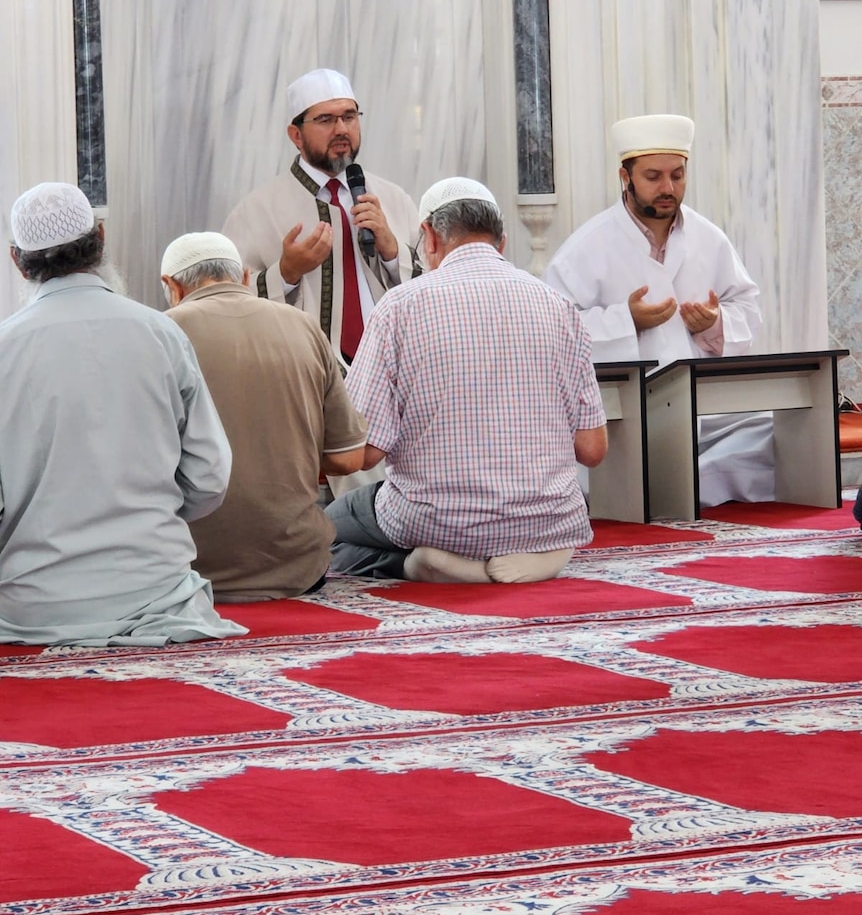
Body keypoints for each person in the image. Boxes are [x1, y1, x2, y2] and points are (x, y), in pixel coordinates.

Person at [326, 177, 608, 584]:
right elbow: (592, 449)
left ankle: (423, 564)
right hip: (549, 517)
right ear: (502, 242)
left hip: (437, 521)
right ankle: (543, 555)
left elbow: (363, 452)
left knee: (322, 536)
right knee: (552, 509)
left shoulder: (400, 307)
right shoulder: (558, 307)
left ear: (428, 237)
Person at [0, 183, 246, 646]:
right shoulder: (161, 333)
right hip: (156, 594)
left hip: (31, 606)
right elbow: (210, 478)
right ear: (101, 238)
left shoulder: (3, 348)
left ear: (18, 260)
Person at [543, 113, 769, 507]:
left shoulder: (708, 237)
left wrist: (716, 324)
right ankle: (681, 486)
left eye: (677, 175)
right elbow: (549, 332)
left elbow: (747, 307)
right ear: (625, 177)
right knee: (589, 462)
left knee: (772, 433)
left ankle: (678, 485)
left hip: (701, 413)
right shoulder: (587, 247)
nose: (668, 188)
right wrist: (624, 321)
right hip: (621, 419)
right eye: (653, 176)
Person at [161, 231, 367, 601]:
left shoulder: (161, 333)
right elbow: (348, 457)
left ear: (171, 286)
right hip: (299, 570)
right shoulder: (303, 325)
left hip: (189, 571)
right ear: (242, 278)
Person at [222, 68, 420, 370]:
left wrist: (392, 251)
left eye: (350, 117)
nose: (342, 129)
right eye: (326, 119)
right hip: (308, 375)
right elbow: (227, 302)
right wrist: (286, 273)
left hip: (393, 369)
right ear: (296, 135)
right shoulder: (256, 211)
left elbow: (436, 283)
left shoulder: (394, 200)